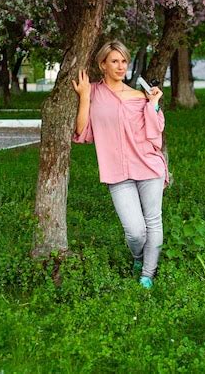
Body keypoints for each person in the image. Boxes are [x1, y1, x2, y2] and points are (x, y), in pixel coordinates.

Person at [72, 40, 168, 289]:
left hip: (148, 166)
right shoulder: (92, 92)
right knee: (135, 231)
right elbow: (81, 130)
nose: (120, 66)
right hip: (117, 171)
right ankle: (138, 257)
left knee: (153, 222)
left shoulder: (138, 96)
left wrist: (154, 104)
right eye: (114, 61)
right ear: (102, 64)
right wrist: (84, 96)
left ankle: (147, 274)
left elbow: (155, 131)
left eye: (124, 61)